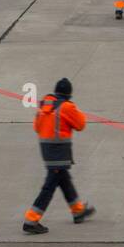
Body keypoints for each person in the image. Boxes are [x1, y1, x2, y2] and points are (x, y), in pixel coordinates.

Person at [22, 78, 95, 235]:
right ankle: (31, 219)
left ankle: (77, 210)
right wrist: (75, 111)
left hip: (47, 151)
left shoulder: (44, 106)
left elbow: (36, 127)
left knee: (64, 180)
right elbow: (81, 125)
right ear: (68, 95)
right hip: (60, 152)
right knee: (49, 187)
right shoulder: (66, 107)